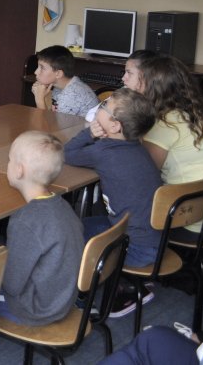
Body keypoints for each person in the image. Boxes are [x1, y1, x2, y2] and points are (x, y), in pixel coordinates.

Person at [65, 88, 163, 317]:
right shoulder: (136, 147)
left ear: (115, 126)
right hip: (153, 239)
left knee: (69, 238)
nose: (100, 106)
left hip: (135, 249)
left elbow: (67, 153)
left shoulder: (103, 151)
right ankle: (127, 283)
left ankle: (80, 297)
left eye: (104, 106)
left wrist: (89, 133)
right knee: (83, 224)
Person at [0, 131, 84, 325]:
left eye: (9, 160)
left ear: (19, 170)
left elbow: (11, 285)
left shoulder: (25, 220)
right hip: (63, 300)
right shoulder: (63, 206)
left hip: (36, 308)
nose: (8, 164)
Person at [138, 55, 203, 233]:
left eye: (140, 82)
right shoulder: (200, 113)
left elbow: (144, 172)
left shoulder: (166, 123)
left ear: (153, 89)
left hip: (189, 220)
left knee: (113, 203)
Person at [85, 49, 160, 123]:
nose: (123, 78)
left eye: (129, 73)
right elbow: (90, 115)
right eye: (125, 72)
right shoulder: (125, 91)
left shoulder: (151, 105)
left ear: (145, 76)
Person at [31, 45, 99, 117]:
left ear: (58, 74)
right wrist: (44, 96)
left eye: (42, 68)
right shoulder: (61, 86)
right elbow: (51, 116)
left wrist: (39, 99)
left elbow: (51, 127)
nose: (35, 72)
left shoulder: (71, 95)